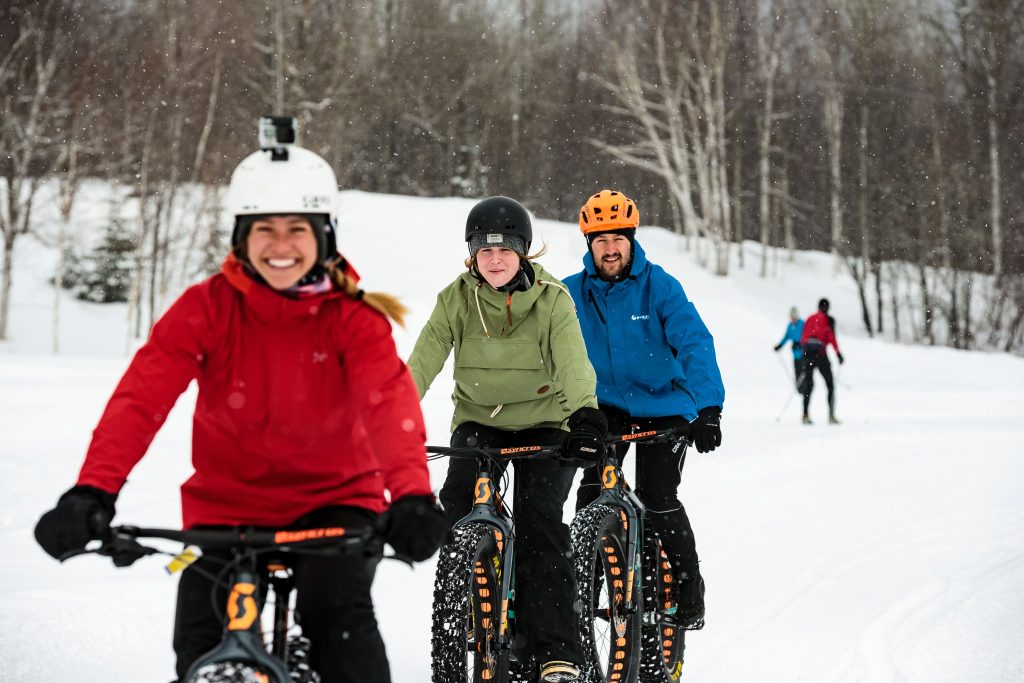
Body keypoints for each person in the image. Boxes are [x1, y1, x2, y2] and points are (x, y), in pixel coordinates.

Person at [33, 132, 448, 683]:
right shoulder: (205, 308)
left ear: (324, 235)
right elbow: (141, 399)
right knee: (199, 637)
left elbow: (388, 405)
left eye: (297, 228)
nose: (281, 244)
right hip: (227, 509)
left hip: (336, 505)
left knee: (340, 623)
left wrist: (413, 495)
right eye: (264, 229)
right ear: (240, 237)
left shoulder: (353, 318)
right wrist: (93, 491)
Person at [408, 196, 604, 683]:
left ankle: (558, 651)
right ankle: (478, 608)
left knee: (540, 526)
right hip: (479, 421)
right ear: (471, 254)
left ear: (524, 252)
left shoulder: (553, 299)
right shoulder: (455, 298)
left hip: (546, 422)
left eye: (505, 248)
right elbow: (422, 359)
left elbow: (573, 363)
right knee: (456, 504)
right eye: (483, 249)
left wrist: (584, 416)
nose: (494, 258)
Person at [563, 189, 725, 630]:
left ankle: (689, 585)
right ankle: (581, 593)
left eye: (617, 239)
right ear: (588, 245)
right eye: (600, 241)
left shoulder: (660, 287)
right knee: (592, 491)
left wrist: (708, 408)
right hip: (605, 407)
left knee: (657, 496)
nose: (610, 249)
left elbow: (695, 343)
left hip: (663, 404)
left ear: (631, 240)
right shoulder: (569, 293)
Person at [798, 297, 844, 424]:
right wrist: (838, 354)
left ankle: (805, 414)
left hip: (808, 354)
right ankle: (831, 416)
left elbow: (803, 337)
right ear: (827, 308)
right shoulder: (828, 320)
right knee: (830, 384)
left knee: (809, 385)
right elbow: (831, 337)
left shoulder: (810, 318)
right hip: (820, 354)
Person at [774, 306, 805, 388]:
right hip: (795, 353)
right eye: (791, 317)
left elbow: (807, 335)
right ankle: (799, 388)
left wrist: (801, 343)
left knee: (803, 371)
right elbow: (786, 337)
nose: (793, 319)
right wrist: (780, 345)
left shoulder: (802, 323)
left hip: (803, 352)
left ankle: (804, 388)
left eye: (794, 317)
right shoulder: (790, 326)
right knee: (797, 370)